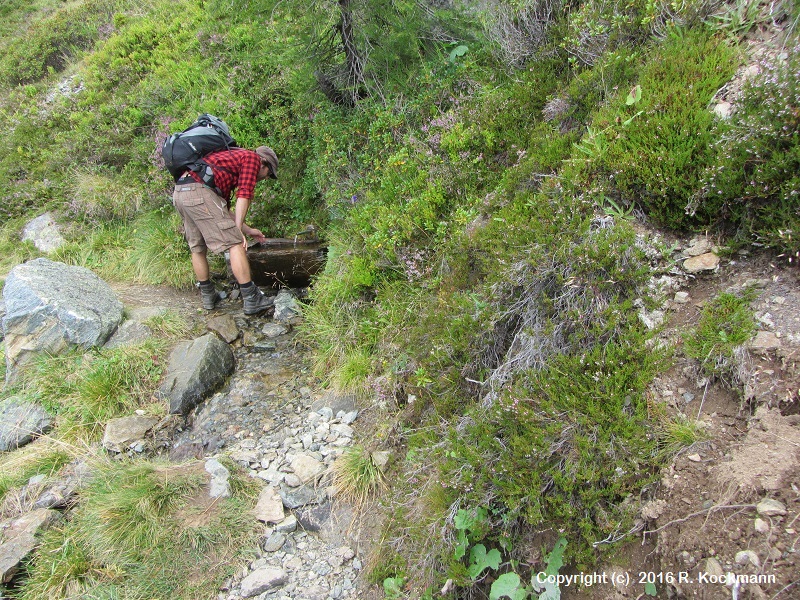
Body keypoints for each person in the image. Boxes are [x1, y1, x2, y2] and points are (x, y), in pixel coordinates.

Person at [172, 145, 279, 315]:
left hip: (181, 192)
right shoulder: (252, 159)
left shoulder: (230, 162)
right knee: (235, 243)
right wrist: (238, 231)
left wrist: (248, 229)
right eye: (268, 174)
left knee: (197, 246)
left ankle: (208, 296)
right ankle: (252, 299)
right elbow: (244, 195)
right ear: (264, 163)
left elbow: (223, 211)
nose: (264, 179)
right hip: (198, 192)